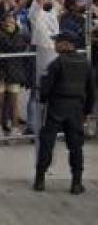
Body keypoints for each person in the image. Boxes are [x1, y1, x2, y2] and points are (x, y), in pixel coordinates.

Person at [34, 32, 95, 195]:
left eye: (58, 42)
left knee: (47, 143)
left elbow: (45, 88)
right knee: (76, 146)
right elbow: (91, 90)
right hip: (76, 108)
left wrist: (43, 99)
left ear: (68, 44)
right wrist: (86, 111)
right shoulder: (85, 63)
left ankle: (40, 180)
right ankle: (76, 183)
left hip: (56, 107)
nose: (55, 45)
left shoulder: (57, 63)